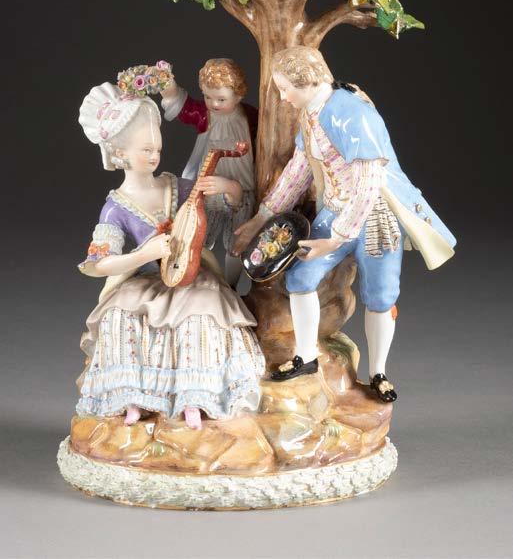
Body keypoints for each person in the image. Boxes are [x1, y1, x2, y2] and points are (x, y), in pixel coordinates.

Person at [234, 46, 456, 402]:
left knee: (381, 295)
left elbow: (369, 183)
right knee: (300, 278)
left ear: (307, 81)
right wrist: (263, 215)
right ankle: (306, 356)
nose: (282, 96)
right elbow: (299, 170)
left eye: (285, 88)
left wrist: (336, 239)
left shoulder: (354, 114)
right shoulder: (311, 113)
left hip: (375, 218)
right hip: (336, 211)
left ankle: (378, 371)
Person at [77, 81, 265, 428]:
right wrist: (143, 254)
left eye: (157, 149)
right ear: (119, 153)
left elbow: (228, 205)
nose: (154, 156)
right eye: (145, 150)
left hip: (190, 276)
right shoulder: (116, 207)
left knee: (202, 312)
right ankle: (132, 395)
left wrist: (229, 188)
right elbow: (99, 264)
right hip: (146, 279)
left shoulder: (177, 187)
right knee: (120, 314)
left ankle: (196, 396)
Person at [160, 58, 257, 288]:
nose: (213, 104)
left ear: (238, 95)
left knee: (237, 241)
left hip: (243, 189)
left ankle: (231, 288)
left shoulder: (251, 118)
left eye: (221, 99)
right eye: (207, 97)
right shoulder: (206, 115)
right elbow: (183, 108)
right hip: (207, 188)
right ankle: (199, 283)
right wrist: (167, 85)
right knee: (197, 237)